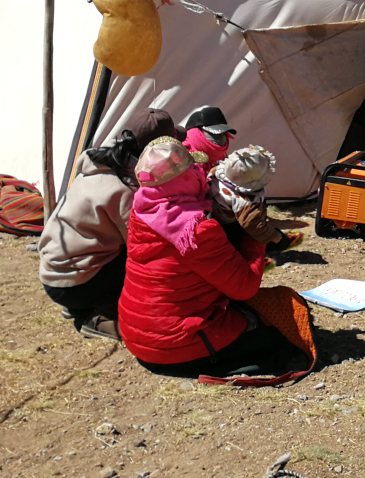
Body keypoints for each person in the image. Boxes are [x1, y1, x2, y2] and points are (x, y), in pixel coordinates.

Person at [119, 137, 307, 378]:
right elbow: (245, 287)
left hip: (140, 334)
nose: (200, 171)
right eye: (193, 169)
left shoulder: (145, 208)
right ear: (186, 178)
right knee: (284, 331)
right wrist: (254, 236)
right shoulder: (196, 228)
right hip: (174, 344)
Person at [38, 109, 181, 341]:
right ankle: (100, 314)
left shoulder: (99, 164)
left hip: (55, 273)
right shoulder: (128, 189)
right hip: (74, 283)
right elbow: (143, 248)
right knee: (155, 264)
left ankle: (79, 305)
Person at [210, 145, 303, 254]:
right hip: (229, 225)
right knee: (244, 241)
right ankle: (281, 244)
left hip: (215, 214)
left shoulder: (214, 174)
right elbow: (253, 224)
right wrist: (273, 235)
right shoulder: (246, 202)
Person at [183, 105, 237, 172]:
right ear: (197, 132)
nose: (221, 136)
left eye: (224, 133)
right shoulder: (181, 158)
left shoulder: (220, 159)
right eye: (213, 133)